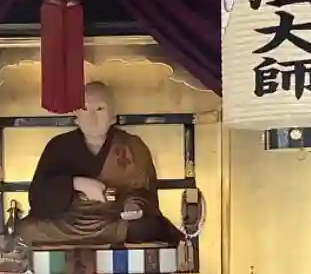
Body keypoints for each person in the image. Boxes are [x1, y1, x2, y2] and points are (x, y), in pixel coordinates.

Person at [12, 82, 183, 247]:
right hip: (68, 224)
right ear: (76, 115)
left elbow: (145, 193)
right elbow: (38, 198)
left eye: (100, 109)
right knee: (27, 229)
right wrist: (75, 184)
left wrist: (133, 206)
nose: (92, 117)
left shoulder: (131, 146)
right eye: (85, 109)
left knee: (150, 228)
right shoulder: (58, 146)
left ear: (113, 115)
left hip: (113, 221)